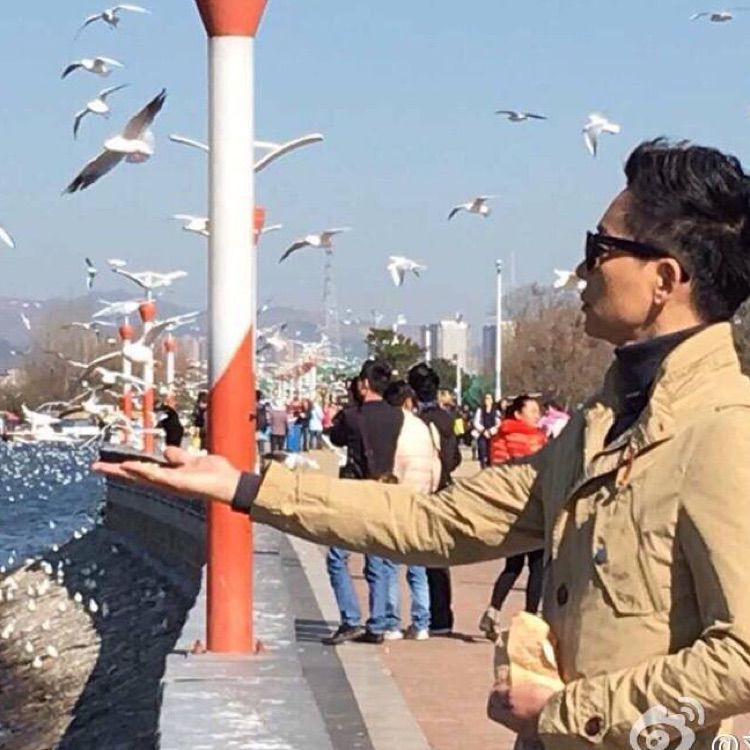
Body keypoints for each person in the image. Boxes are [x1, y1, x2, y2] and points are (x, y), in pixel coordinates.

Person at [96, 139, 750, 748]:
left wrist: (568, 712)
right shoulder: (601, 425)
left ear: (664, 279)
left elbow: (743, 657)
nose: (582, 270)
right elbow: (439, 520)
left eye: (599, 248)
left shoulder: (723, 433)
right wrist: (243, 486)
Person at [324, 361, 404, 645]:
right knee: (377, 559)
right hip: (383, 491)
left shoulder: (352, 416)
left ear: (364, 384)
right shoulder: (396, 416)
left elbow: (336, 436)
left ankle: (350, 619)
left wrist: (347, 407)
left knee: (337, 557)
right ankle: (378, 623)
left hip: (354, 492)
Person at [479, 395, 547, 641]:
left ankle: (493, 610)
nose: (537, 415)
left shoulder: (500, 437)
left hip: (510, 509)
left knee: (513, 565)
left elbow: (497, 471)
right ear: (518, 413)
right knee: (537, 566)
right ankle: (530, 620)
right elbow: (542, 473)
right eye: (532, 410)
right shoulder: (536, 439)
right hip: (534, 509)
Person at [382, 380, 442, 641]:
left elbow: (391, 465)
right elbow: (436, 464)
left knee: (390, 566)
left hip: (397, 501)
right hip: (421, 500)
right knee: (418, 568)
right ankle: (421, 623)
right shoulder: (423, 427)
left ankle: (392, 623)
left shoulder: (392, 427)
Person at [407, 363, 461, 635]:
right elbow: (455, 457)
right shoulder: (446, 418)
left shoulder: (416, 422)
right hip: (443, 490)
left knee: (421, 556)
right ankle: (442, 616)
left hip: (423, 490)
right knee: (439, 557)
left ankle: (426, 616)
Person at [473, 392, 501, 468]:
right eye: (486, 398)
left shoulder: (496, 411)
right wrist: (483, 430)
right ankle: (483, 466)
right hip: (482, 434)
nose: (487, 400)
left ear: (492, 400)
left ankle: (490, 466)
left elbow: (498, 423)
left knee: (491, 453)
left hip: (492, 434)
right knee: (482, 451)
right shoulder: (480, 410)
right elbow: (476, 422)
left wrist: (491, 431)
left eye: (489, 398)